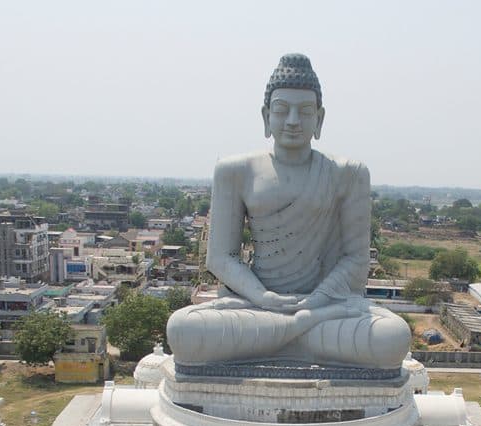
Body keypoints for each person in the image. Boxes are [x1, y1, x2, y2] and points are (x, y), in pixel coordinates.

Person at [165, 54, 410, 371]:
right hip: (258, 305)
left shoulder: (348, 173)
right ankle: (298, 334)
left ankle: (280, 336)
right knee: (183, 329)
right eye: (282, 110)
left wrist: (316, 300)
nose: (293, 120)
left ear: (319, 118)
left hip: (323, 305)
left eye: (305, 111)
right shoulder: (234, 171)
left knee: (392, 336)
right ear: (266, 116)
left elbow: (356, 260)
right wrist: (263, 297)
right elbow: (221, 258)